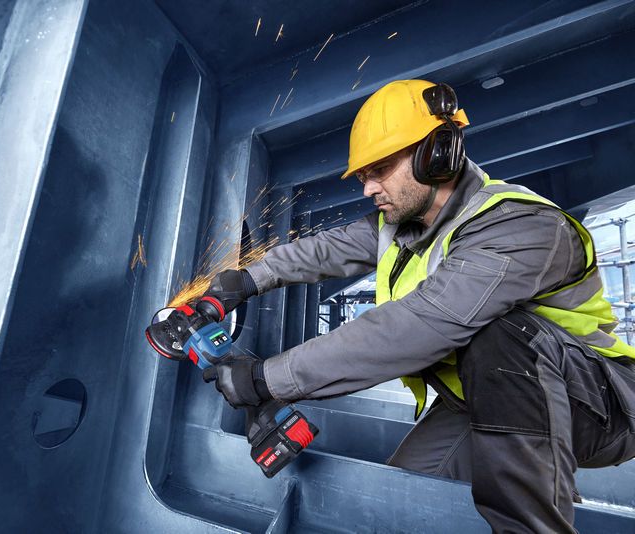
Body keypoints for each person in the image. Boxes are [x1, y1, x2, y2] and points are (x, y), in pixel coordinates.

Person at [202, 79, 635, 532]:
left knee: (501, 333)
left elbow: (414, 328)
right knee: (403, 501)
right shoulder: (406, 223)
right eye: (363, 176)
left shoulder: (521, 227)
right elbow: (324, 250)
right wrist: (242, 281)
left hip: (600, 408)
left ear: (437, 154)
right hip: (480, 400)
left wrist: (265, 379)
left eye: (380, 169)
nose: (368, 188)